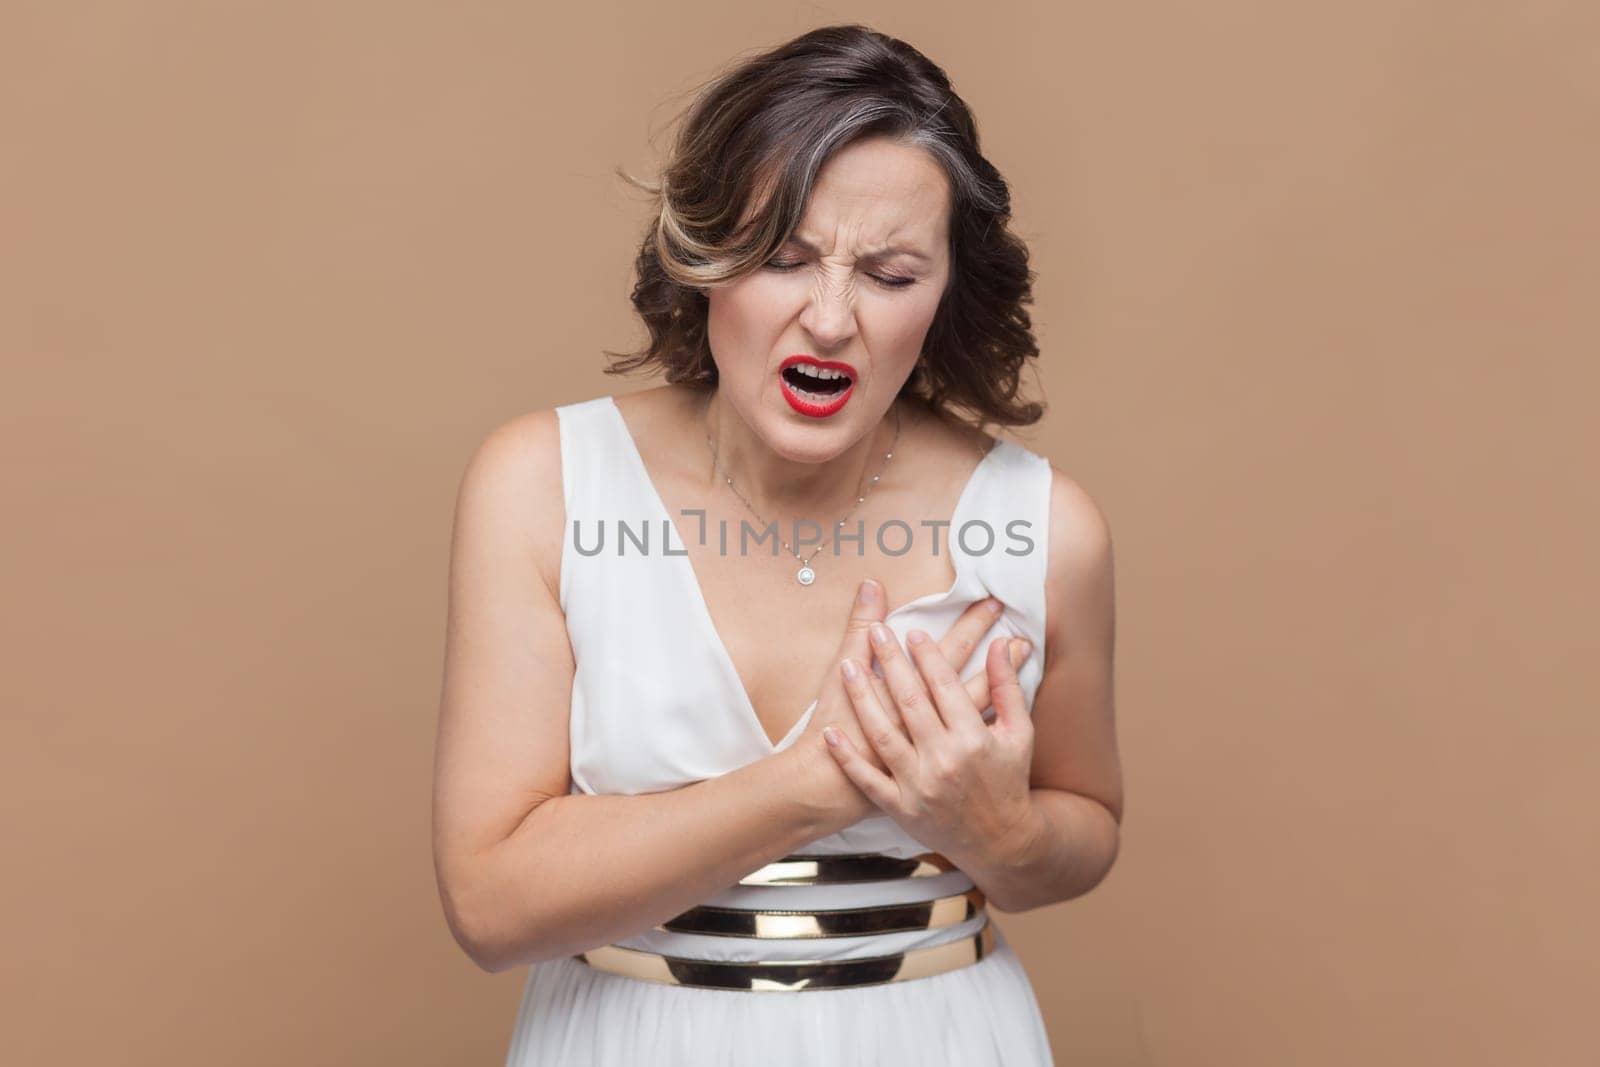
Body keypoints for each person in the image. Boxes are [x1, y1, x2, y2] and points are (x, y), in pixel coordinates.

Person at [431, 23, 1121, 1066]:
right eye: (784, 257)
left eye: (889, 274)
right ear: (702, 255)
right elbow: (489, 901)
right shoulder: (542, 485)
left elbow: (1086, 824)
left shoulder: (1042, 526)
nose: (831, 318)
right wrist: (817, 781)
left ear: (943, 296)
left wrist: (998, 831)